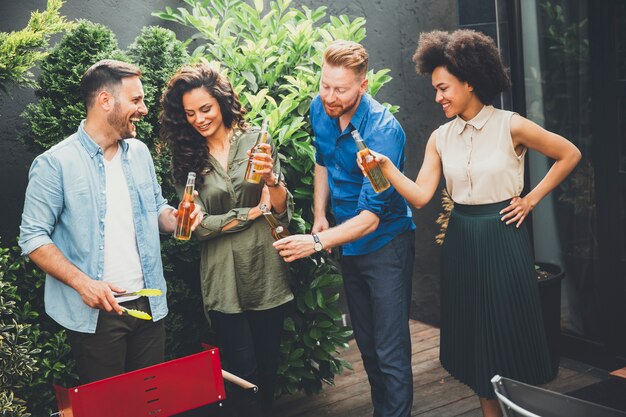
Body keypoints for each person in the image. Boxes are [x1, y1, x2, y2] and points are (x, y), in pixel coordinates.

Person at [362, 30, 581, 417]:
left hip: (502, 236)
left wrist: (530, 199)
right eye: (435, 89)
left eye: (443, 87)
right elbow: (420, 196)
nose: (437, 97)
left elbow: (569, 153)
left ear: (469, 81)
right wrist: (386, 168)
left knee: (508, 338)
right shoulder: (440, 137)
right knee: (477, 348)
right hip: (462, 240)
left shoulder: (510, 126)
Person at [18, 59, 202, 384]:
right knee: (110, 406)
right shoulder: (55, 164)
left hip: (148, 303)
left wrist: (176, 219)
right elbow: (34, 238)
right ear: (105, 101)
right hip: (98, 315)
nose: (144, 109)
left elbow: (156, 209)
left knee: (149, 402)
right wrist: (84, 284)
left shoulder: (140, 153)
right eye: (136, 100)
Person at [273, 40, 416, 417]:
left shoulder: (385, 130)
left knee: (390, 350)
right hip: (346, 244)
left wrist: (316, 240)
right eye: (325, 85)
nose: (329, 96)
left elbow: (370, 218)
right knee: (367, 346)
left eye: (341, 89)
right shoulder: (320, 108)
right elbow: (323, 161)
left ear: (363, 86)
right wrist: (320, 213)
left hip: (386, 244)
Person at [159, 64, 294, 417]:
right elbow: (194, 228)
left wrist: (273, 182)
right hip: (222, 278)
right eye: (190, 114)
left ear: (221, 102)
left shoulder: (256, 142)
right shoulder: (186, 157)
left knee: (266, 368)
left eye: (205, 109)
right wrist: (248, 214)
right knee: (240, 374)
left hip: (265, 270)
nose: (199, 119)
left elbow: (280, 212)